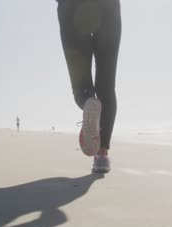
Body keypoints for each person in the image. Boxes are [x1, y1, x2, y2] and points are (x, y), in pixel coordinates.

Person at [57, 0, 121, 173]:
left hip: (72, 7)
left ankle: (88, 100)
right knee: (106, 85)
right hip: (108, 7)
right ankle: (102, 155)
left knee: (81, 82)